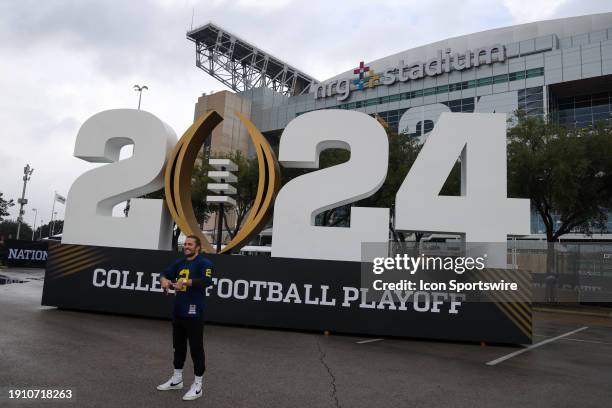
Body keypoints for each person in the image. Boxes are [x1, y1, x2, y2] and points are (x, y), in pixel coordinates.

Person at [157, 235, 213, 401]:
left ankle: (198, 385)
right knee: (178, 346)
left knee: (196, 348)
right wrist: (164, 281)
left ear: (198, 247)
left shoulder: (204, 263)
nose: (186, 246)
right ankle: (177, 379)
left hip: (194, 313)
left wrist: (185, 282)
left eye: (190, 244)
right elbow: (164, 273)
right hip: (178, 311)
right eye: (185, 244)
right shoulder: (179, 263)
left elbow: (206, 281)